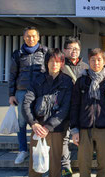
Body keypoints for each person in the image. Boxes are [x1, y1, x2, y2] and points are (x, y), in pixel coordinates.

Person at [22, 48, 73, 177]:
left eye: (58, 61)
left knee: (55, 166)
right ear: (46, 62)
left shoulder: (67, 81)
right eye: (51, 61)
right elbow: (26, 103)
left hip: (56, 129)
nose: (54, 64)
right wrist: (33, 123)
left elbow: (65, 108)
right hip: (37, 127)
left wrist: (48, 126)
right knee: (35, 165)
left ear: (62, 63)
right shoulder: (37, 79)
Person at [70, 48, 105, 177]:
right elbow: (75, 105)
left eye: (99, 60)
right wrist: (74, 129)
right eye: (93, 60)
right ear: (89, 61)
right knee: (83, 163)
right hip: (84, 127)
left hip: (104, 128)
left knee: (103, 164)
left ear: (104, 61)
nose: (96, 63)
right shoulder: (82, 80)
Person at [9, 26, 48, 164]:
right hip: (22, 91)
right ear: (24, 37)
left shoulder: (45, 52)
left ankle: (40, 148)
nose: (30, 38)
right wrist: (11, 94)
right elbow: (13, 74)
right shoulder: (17, 54)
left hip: (40, 91)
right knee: (21, 122)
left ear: (38, 37)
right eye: (28, 36)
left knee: (40, 120)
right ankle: (23, 150)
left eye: (33, 36)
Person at [61, 37, 89, 177]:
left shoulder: (85, 67)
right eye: (71, 49)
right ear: (65, 50)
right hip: (64, 107)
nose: (74, 51)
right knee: (65, 137)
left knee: (82, 136)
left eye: (76, 49)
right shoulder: (59, 66)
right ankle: (66, 166)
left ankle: (83, 162)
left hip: (81, 108)